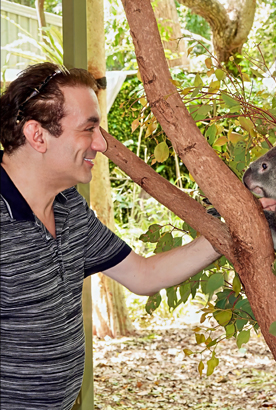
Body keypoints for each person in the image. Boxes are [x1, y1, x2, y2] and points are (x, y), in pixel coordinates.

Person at [0, 62, 221, 409]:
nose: (101, 143)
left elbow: (143, 275)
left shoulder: (68, 206)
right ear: (37, 135)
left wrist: (227, 233)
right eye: (89, 128)